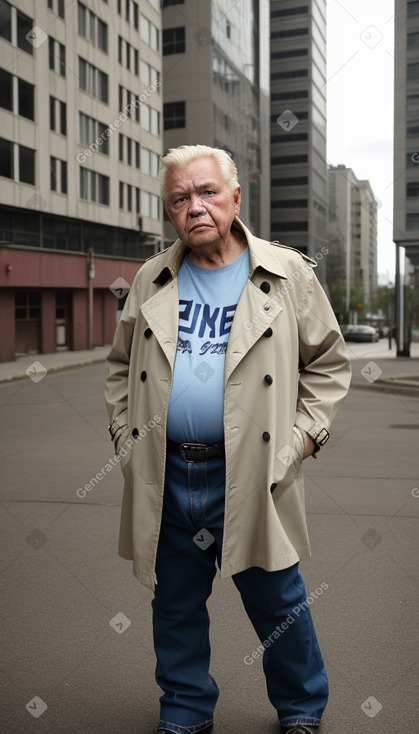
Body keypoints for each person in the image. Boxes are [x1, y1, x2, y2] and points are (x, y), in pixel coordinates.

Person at [105, 144, 351, 734]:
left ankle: (300, 708)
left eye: (207, 192)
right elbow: (120, 366)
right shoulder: (151, 278)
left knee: (279, 601)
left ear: (235, 199)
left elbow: (329, 363)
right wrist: (124, 438)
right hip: (169, 471)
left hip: (252, 470)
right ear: (170, 213)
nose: (195, 207)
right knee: (176, 603)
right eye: (180, 198)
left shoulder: (287, 273)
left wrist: (301, 442)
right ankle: (186, 711)